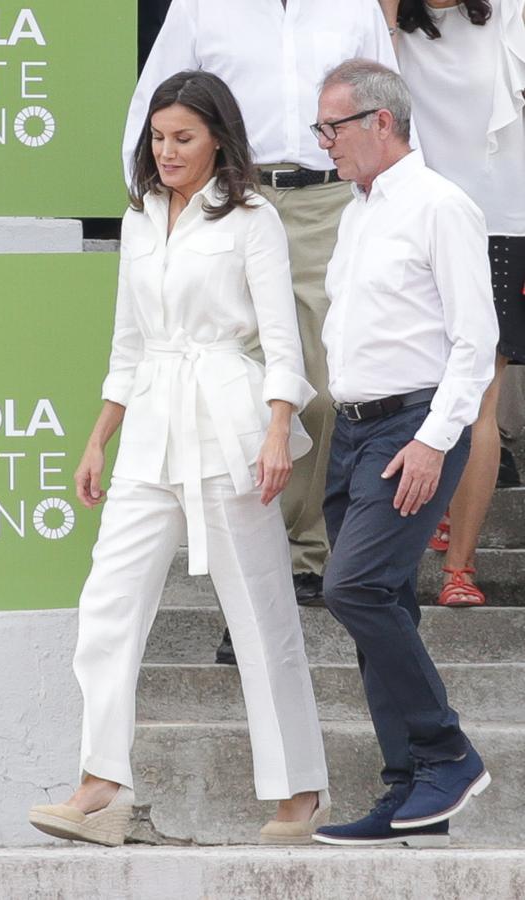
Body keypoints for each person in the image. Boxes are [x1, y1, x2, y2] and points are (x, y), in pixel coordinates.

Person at [28, 70, 330, 847]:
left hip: (230, 420)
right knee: (106, 604)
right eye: (158, 138)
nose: (166, 151)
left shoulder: (253, 216)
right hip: (150, 426)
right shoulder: (138, 217)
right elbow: (129, 342)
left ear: (219, 140)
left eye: (183, 138)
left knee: (260, 610)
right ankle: (101, 784)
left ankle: (298, 790)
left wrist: (275, 431)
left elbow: (283, 339)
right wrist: (99, 436)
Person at [122, 2, 400, 664]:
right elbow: (152, 105)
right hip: (232, 198)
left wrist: (399, 208)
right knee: (239, 400)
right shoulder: (199, 5)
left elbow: (392, 108)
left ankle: (305, 555)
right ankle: (250, 570)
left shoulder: (352, 5)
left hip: (329, 202)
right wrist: (156, 212)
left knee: (327, 386)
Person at [309, 60, 497, 848]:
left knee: (350, 588)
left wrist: (432, 440)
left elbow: (475, 340)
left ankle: (447, 750)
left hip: (409, 428)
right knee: (383, 603)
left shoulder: (441, 206)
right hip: (353, 431)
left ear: (381, 122)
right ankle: (409, 789)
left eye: (333, 128)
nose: (324, 145)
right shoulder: (358, 210)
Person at [377, 0, 525, 605]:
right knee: (413, 385)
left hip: (499, 221)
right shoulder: (387, 29)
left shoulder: (511, 13)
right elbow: (365, 87)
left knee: (479, 397)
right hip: (412, 219)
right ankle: (419, 528)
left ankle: (459, 568)